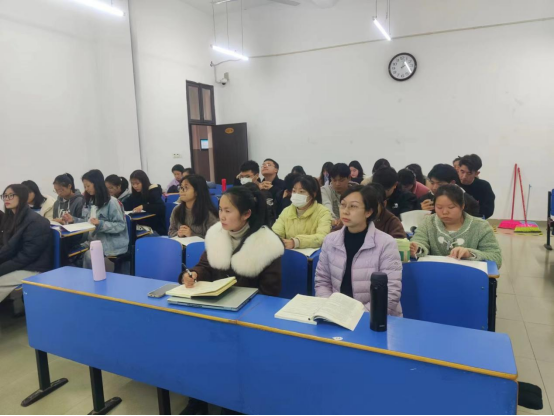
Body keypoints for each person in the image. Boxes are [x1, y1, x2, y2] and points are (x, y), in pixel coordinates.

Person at [315, 185, 403, 316]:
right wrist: (330, 309)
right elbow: (322, 281)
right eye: (343, 205)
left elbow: (390, 293)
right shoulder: (330, 240)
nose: (345, 211)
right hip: (336, 315)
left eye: (353, 206)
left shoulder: (386, 243)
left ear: (368, 212)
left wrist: (355, 315)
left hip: (374, 318)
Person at [410, 185, 502, 267]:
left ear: (462, 206)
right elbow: (419, 241)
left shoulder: (481, 226)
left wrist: (470, 254)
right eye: (439, 207)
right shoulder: (428, 222)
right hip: (434, 274)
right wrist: (416, 249)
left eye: (451, 207)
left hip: (468, 276)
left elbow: (496, 258)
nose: (444, 212)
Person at [61, 170, 129, 270]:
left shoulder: (112, 202)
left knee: (89, 255)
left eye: (88, 186)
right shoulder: (90, 202)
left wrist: (100, 224)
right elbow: (87, 222)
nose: (86, 189)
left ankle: (94, 278)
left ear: (97, 184)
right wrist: (73, 220)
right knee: (68, 251)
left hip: (111, 244)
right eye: (85, 186)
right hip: (95, 241)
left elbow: (120, 225)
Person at [0, 185, 53, 303]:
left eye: (11, 195)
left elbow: (26, 256)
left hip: (33, 267)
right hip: (18, 262)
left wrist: (1, 269)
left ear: (22, 197)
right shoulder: (10, 218)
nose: (6, 199)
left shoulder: (36, 222)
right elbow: (6, 247)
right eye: (4, 196)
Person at [273, 176, 332, 249]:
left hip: (313, 255)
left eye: (301, 191)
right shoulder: (286, 211)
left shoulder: (323, 212)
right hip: (289, 252)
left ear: (313, 194)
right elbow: (276, 232)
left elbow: (322, 237)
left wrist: (296, 242)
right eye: (294, 191)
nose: (296, 194)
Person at [169, 174, 219, 239]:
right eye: (181, 187)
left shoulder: (208, 213)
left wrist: (192, 234)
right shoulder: (177, 210)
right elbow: (171, 232)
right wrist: (179, 233)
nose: (181, 191)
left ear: (197, 192)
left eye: (186, 187)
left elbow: (215, 238)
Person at [124, 170, 167, 235]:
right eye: (133, 184)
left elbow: (161, 207)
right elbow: (127, 204)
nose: (135, 186)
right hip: (140, 226)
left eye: (137, 183)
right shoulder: (136, 194)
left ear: (144, 182)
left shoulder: (153, 191)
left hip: (155, 228)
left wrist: (144, 206)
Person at [458, 155, 495, 219]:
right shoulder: (453, 183)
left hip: (475, 219)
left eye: (469, 173)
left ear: (476, 173)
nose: (464, 177)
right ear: (458, 169)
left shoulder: (484, 186)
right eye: (462, 171)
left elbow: (488, 210)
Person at [321, 163, 352, 229]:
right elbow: (326, 206)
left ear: (349, 178)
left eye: (341, 180)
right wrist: (334, 221)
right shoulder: (325, 190)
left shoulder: (357, 192)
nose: (337, 184)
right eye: (334, 180)